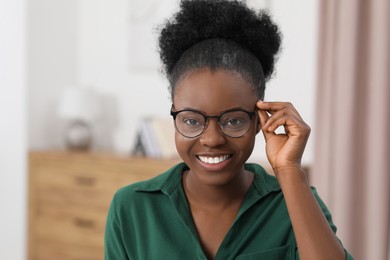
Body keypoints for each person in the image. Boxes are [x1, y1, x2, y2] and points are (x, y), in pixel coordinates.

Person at [104, 0, 354, 259]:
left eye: (233, 121)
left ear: (259, 121)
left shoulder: (295, 201)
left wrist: (289, 170)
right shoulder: (131, 207)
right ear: (174, 115)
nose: (212, 139)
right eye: (192, 120)